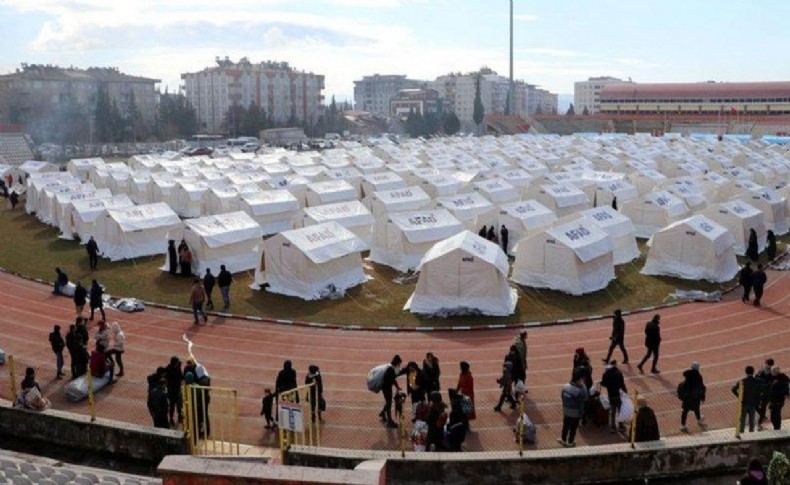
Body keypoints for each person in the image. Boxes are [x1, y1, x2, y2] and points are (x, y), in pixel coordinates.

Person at [558, 368, 589, 448]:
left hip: (566, 410)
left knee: (565, 426)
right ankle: (570, 442)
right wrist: (583, 385)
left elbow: (562, 397)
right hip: (576, 412)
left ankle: (563, 439)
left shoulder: (565, 387)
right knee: (573, 428)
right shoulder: (580, 391)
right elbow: (585, 397)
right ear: (579, 379)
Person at [732, 365, 764, 434]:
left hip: (744, 403)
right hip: (753, 403)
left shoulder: (742, 382)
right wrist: (758, 398)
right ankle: (751, 433)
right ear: (753, 372)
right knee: (751, 420)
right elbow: (762, 390)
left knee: (742, 419)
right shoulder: (757, 381)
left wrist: (739, 396)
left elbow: (733, 389)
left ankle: (741, 432)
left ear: (746, 372)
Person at [600, 360, 627, 433]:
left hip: (611, 394)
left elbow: (603, 384)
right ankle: (621, 425)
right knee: (620, 410)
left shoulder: (606, 373)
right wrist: (625, 392)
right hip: (619, 394)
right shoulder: (619, 373)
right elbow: (622, 383)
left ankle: (613, 427)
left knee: (613, 411)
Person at [679, 362, 706, 433]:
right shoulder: (699, 377)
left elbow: (684, 374)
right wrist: (702, 397)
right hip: (695, 397)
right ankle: (699, 420)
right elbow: (702, 387)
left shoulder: (687, 375)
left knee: (685, 411)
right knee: (696, 409)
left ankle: (683, 425)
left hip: (687, 397)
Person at [380, 355, 403, 429]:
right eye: (399, 363)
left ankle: (383, 413)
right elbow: (393, 380)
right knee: (389, 403)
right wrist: (397, 387)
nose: (399, 365)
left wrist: (397, 386)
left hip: (385, 387)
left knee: (388, 401)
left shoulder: (390, 367)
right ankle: (390, 422)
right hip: (387, 388)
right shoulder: (391, 369)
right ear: (397, 362)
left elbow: (393, 379)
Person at [768, 366, 789, 430]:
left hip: (777, 400)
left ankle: (777, 427)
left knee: (775, 415)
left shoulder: (780, 379)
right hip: (777, 400)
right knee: (776, 414)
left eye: (772, 371)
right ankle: (777, 426)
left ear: (775, 372)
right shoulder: (780, 377)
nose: (770, 372)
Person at [756, 358, 775, 430]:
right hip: (765, 393)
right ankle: (762, 419)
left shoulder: (767, 372)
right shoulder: (764, 371)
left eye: (766, 363)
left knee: (762, 407)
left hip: (765, 393)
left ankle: (760, 422)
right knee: (761, 407)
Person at [165, 356, 184, 426]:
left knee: (172, 406)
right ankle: (179, 417)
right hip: (176, 390)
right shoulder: (177, 369)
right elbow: (182, 377)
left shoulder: (167, 369)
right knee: (178, 405)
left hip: (170, 391)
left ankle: (171, 419)